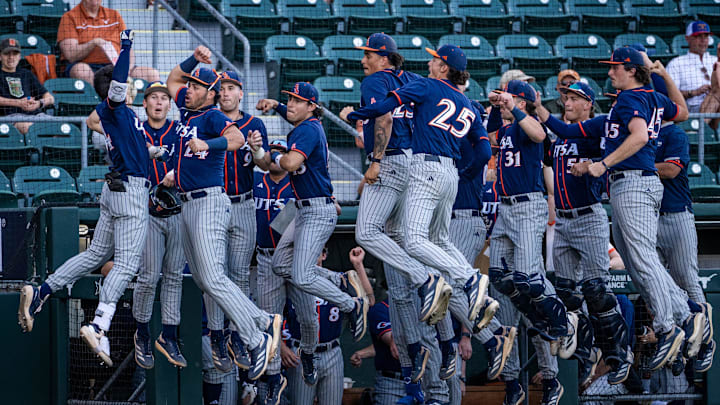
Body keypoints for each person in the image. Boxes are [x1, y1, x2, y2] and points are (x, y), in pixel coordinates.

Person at [552, 47, 704, 372]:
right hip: (633, 184)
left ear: (631, 70)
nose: (611, 73)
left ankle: (668, 327)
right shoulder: (650, 97)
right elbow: (682, 112)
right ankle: (687, 315)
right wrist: (660, 75)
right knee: (637, 263)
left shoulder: (632, 97)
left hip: (633, 182)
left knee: (643, 259)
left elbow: (638, 135)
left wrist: (600, 164)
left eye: (615, 68)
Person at [17, 30, 158, 366]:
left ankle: (43, 291)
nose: (131, 88)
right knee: (126, 265)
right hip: (130, 193)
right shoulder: (116, 106)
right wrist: (125, 48)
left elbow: (133, 148)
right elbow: (120, 80)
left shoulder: (119, 117)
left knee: (96, 253)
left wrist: (157, 151)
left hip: (115, 189)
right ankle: (99, 324)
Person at [340, 32, 455, 385]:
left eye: (370, 54)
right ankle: (444, 344)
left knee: (366, 232)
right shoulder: (415, 80)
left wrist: (374, 159)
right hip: (420, 166)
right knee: (405, 256)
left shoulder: (377, 79)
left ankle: (426, 282)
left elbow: (385, 119)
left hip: (391, 162)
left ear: (385, 57)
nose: (364, 60)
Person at [164, 45, 280, 381]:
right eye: (191, 86)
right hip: (187, 204)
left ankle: (257, 338)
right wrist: (193, 63)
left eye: (197, 87)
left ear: (211, 94)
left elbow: (235, 137)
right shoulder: (188, 113)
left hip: (210, 202)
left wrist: (207, 144)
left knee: (216, 277)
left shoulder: (214, 116)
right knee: (203, 280)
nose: (189, 90)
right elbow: (173, 79)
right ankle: (261, 320)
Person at [256, 83, 369, 386]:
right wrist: (276, 107)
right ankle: (340, 279)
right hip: (304, 209)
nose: (290, 103)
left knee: (303, 276)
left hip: (316, 210)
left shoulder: (308, 128)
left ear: (312, 106)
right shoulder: (306, 123)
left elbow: (291, 163)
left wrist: (277, 155)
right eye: (289, 99)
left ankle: (351, 304)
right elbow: (293, 125)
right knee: (282, 266)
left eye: (297, 101)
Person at [535, 82, 635, 385]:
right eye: (566, 97)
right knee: (567, 293)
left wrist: (594, 164)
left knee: (597, 290)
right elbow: (548, 155)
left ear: (588, 104)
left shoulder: (596, 130)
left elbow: (615, 153)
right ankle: (584, 353)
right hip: (563, 222)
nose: (568, 101)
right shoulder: (562, 136)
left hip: (589, 218)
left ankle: (619, 354)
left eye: (576, 98)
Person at [203, 70, 271, 372]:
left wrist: (256, 148)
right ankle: (217, 334)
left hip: (244, 203)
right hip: (213, 203)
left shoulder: (254, 124)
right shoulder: (210, 121)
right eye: (222, 88)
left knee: (240, 274)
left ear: (241, 93)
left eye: (231, 88)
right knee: (214, 274)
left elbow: (266, 165)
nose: (226, 93)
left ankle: (239, 334)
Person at [131, 81, 187, 369]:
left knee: (174, 275)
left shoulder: (179, 130)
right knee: (149, 276)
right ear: (145, 103)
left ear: (169, 104)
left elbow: (192, 159)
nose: (158, 102)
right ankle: (141, 333)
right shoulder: (136, 128)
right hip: (147, 212)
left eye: (163, 98)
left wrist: (176, 171)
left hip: (177, 210)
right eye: (153, 97)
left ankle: (169, 335)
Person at [57, 0, 159, 85]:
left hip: (116, 65)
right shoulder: (69, 17)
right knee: (81, 70)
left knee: (152, 74)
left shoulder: (115, 15)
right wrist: (93, 43)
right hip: (88, 66)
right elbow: (70, 55)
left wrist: (128, 67)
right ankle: (99, 108)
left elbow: (128, 48)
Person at [0, 37, 54, 134]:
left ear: (20, 56)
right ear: (0, 56)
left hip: (36, 115)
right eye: (7, 53)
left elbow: (50, 98)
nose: (11, 57)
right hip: (10, 117)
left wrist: (39, 103)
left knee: (60, 126)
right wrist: (18, 103)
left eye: (15, 54)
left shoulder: (26, 74)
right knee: (27, 127)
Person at [667, 20, 718, 113]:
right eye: (698, 36)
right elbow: (671, 95)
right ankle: (703, 125)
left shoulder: (716, 60)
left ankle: (704, 126)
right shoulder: (676, 63)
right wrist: (694, 92)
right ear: (687, 38)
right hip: (690, 109)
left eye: (706, 36)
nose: (703, 40)